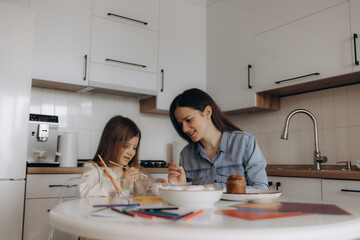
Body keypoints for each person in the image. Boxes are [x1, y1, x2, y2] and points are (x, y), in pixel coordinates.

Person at [167, 88, 268, 189]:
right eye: (180, 124)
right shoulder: (186, 155)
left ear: (207, 112)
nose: (184, 129)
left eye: (188, 120)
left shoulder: (244, 143)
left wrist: (215, 188)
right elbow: (189, 198)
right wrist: (179, 186)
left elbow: (261, 188)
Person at [77, 115, 165, 198]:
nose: (131, 152)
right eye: (125, 146)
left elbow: (147, 194)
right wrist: (120, 183)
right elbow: (83, 192)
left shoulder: (134, 170)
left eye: (134, 148)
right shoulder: (95, 169)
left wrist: (156, 186)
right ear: (110, 144)